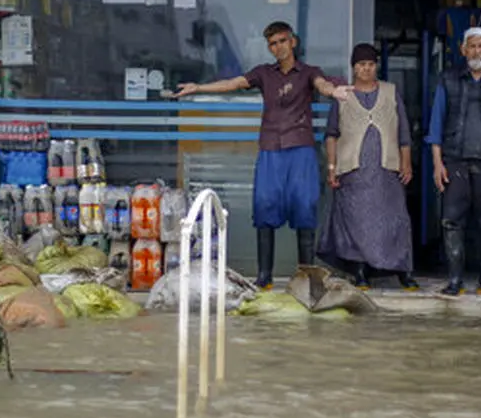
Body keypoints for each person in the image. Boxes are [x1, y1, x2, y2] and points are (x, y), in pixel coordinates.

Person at [176, 21, 351, 289]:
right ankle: (265, 276)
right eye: (272, 43)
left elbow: (323, 84)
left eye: (282, 41)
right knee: (265, 206)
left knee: (304, 208)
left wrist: (334, 92)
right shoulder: (263, 74)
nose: (278, 47)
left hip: (300, 149)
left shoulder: (308, 72)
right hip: (270, 149)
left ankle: (307, 277)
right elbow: (233, 83)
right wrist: (199, 88)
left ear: (293, 42)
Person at [425, 27, 481, 298]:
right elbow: (436, 126)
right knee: (452, 222)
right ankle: (454, 280)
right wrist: (437, 164)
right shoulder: (448, 80)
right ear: (463, 50)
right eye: (472, 46)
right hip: (455, 163)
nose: (477, 51)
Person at [317, 43, 419, 291]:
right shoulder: (342, 95)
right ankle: (360, 272)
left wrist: (406, 163)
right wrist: (331, 167)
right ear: (354, 67)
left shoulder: (391, 92)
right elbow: (331, 134)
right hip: (353, 172)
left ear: (376, 66)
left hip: (387, 171)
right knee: (356, 222)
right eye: (361, 64)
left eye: (370, 64)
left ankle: (402, 270)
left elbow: (404, 132)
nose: (366, 69)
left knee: (395, 221)